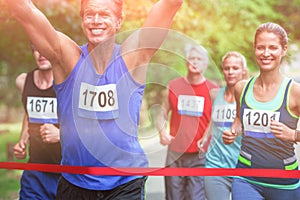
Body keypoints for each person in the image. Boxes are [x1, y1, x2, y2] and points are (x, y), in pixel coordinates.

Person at [7, 0, 183, 199]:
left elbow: (170, 4)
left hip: (124, 183)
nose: (96, 21)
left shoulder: (132, 56)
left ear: (118, 22)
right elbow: (24, 11)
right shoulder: (66, 59)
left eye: (104, 14)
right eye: (89, 14)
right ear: (82, 20)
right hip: (75, 182)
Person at [223, 22, 300, 199]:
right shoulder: (241, 88)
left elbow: (294, 135)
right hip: (245, 178)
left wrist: (293, 135)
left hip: (284, 182)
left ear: (284, 49)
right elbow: (239, 121)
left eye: (272, 47)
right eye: (260, 47)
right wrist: (233, 132)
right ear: (254, 49)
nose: (266, 53)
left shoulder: (295, 92)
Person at [157, 44, 219, 200]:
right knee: (173, 197)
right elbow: (162, 113)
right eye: (192, 58)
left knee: (196, 197)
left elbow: (215, 120)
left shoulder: (213, 90)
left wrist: (207, 138)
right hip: (175, 155)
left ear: (205, 64)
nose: (195, 62)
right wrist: (162, 131)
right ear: (186, 61)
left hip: (200, 155)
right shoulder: (173, 86)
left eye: (199, 59)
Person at [197, 51, 248, 200]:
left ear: (243, 71)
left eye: (235, 68)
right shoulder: (214, 93)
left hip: (242, 166)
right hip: (215, 164)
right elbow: (214, 118)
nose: (230, 72)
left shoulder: (251, 97)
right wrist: (205, 136)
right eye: (227, 68)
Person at [13, 45, 61, 200]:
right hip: (35, 173)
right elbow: (29, 114)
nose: (41, 53)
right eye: (36, 48)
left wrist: (61, 134)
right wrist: (22, 141)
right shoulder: (23, 81)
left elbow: (87, 124)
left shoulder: (68, 83)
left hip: (66, 172)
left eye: (45, 47)